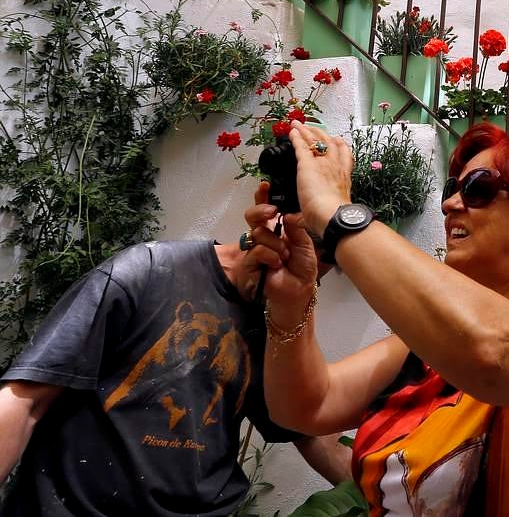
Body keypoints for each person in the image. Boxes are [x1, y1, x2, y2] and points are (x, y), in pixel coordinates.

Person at [246, 122, 509, 515]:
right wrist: (291, 299)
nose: (450, 204)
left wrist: (337, 213)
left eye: (477, 189)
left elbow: (497, 352)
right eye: (453, 189)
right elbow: (305, 408)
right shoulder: (433, 339)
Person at [0, 216, 351, 516]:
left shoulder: (280, 323)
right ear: (271, 226)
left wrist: (395, 492)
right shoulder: (147, 271)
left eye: (312, 282)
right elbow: (25, 397)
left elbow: (312, 433)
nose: (288, 287)